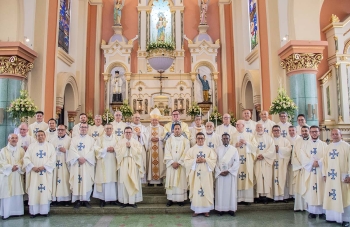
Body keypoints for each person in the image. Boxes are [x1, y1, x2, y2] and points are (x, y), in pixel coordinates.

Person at [23, 130, 56, 218]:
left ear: (45, 136)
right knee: (34, 191)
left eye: (42, 135)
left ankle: (44, 211)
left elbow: (53, 159)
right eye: (38, 135)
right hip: (34, 173)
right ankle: (33, 212)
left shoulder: (50, 146)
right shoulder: (32, 146)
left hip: (45, 173)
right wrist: (32, 167)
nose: (40, 137)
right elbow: (26, 158)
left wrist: (44, 166)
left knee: (44, 191)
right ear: (36, 137)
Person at [185, 132, 217, 217]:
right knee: (196, 191)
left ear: (204, 139)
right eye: (198, 138)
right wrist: (195, 161)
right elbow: (186, 161)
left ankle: (206, 210)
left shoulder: (209, 150)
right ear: (196, 139)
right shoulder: (191, 150)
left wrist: (205, 160)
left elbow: (213, 160)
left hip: (206, 174)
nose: (200, 140)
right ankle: (197, 210)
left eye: (202, 138)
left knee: (206, 190)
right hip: (195, 175)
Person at [323, 129, 350, 226]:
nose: (334, 136)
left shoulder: (346, 147)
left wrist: (349, 175)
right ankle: (332, 217)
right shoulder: (328, 147)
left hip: (342, 177)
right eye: (333, 134)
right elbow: (325, 162)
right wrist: (324, 174)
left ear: (341, 135)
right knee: (331, 195)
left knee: (344, 196)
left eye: (336, 134)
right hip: (331, 176)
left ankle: (345, 219)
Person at [300, 126, 327, 219]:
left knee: (321, 189)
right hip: (310, 171)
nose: (314, 133)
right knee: (311, 190)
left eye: (316, 131)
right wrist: (312, 163)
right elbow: (302, 157)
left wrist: (319, 162)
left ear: (319, 132)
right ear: (310, 133)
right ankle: (312, 211)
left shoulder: (324, 145)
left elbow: (326, 157)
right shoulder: (304, 145)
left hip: (320, 170)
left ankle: (323, 211)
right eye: (312, 132)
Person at [68, 123, 95, 209]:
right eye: (82, 127)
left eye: (85, 127)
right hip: (77, 163)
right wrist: (78, 158)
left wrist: (85, 158)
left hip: (87, 164)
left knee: (86, 181)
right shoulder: (74, 139)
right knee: (77, 181)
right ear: (79, 129)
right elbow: (71, 149)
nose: (83, 129)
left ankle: (86, 200)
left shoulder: (91, 140)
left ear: (87, 129)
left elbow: (93, 150)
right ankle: (77, 200)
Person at [116, 127, 143, 208]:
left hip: (133, 163)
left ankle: (132, 201)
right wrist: (125, 147)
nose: (128, 134)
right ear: (124, 133)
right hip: (123, 163)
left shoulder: (136, 142)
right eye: (126, 132)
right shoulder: (120, 142)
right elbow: (117, 152)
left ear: (132, 133)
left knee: (132, 180)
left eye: (129, 132)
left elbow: (139, 152)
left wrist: (131, 147)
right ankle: (124, 201)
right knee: (124, 182)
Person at [231, 120, 257, 204]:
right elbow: (228, 148)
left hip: (247, 160)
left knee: (247, 176)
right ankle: (238, 198)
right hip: (237, 160)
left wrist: (246, 143)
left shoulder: (250, 135)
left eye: (238, 125)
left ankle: (247, 199)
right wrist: (235, 145)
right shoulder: (233, 136)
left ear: (243, 125)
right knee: (238, 177)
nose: (237, 126)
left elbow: (255, 147)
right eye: (236, 125)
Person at [164, 123, 190, 207]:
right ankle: (170, 199)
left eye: (179, 129)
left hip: (181, 165)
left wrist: (179, 162)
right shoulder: (169, 140)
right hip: (171, 165)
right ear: (173, 130)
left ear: (181, 130)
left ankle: (180, 200)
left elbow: (186, 153)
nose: (177, 130)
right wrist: (172, 162)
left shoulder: (186, 141)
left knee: (180, 182)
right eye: (176, 129)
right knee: (171, 181)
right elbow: (167, 151)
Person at [0, 134, 25, 220]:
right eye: (12, 138)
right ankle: (6, 213)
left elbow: (23, 161)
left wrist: (17, 166)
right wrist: (11, 167)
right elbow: (1, 162)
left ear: (18, 140)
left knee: (17, 192)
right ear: (8, 140)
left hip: (17, 174)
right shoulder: (3, 151)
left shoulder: (21, 150)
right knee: (7, 193)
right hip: (7, 175)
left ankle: (17, 212)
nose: (14, 140)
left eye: (15, 138)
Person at [93, 123, 118, 207]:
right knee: (103, 180)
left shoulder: (116, 139)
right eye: (107, 128)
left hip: (113, 162)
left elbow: (120, 148)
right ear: (104, 129)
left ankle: (113, 199)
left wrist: (114, 149)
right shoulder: (100, 139)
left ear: (113, 129)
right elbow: (96, 149)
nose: (109, 130)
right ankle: (102, 199)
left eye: (110, 128)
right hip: (103, 163)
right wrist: (105, 149)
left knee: (112, 180)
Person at [215, 133, 240, 216]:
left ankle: (231, 209)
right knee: (221, 192)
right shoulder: (217, 149)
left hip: (230, 174)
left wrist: (229, 170)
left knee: (230, 192)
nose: (225, 140)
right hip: (221, 174)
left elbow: (237, 162)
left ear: (229, 139)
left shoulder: (234, 150)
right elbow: (215, 162)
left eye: (227, 138)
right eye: (224, 138)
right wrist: (219, 171)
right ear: (221, 140)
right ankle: (221, 209)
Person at [50, 124, 71, 206]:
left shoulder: (69, 140)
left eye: (62, 130)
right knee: (55, 181)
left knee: (65, 180)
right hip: (55, 163)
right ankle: (55, 199)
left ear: (65, 130)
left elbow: (73, 152)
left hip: (65, 163)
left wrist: (66, 151)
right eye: (58, 130)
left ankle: (66, 200)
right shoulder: (52, 140)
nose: (60, 131)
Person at [254, 123, 275, 203]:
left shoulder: (269, 138)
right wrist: (256, 156)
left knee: (266, 178)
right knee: (258, 177)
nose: (259, 129)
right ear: (256, 129)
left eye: (261, 127)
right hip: (257, 161)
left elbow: (272, 149)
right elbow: (251, 149)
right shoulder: (253, 138)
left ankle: (266, 196)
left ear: (264, 128)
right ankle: (258, 196)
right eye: (258, 127)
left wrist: (263, 155)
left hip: (266, 161)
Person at [271, 125, 292, 202]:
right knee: (274, 178)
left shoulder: (285, 141)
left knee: (283, 178)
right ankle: (274, 196)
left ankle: (284, 197)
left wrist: (279, 149)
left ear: (280, 131)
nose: (276, 132)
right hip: (272, 163)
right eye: (274, 130)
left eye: (278, 130)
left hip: (282, 163)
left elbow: (289, 150)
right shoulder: (270, 140)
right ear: (272, 132)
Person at [146, 108, 165, 185]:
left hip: (159, 148)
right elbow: (145, 138)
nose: (154, 121)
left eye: (156, 120)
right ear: (151, 120)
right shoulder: (147, 129)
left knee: (159, 163)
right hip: (151, 148)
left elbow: (164, 137)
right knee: (150, 163)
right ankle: (150, 181)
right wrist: (150, 138)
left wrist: (159, 138)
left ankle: (159, 181)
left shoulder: (162, 128)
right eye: (153, 120)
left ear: (158, 121)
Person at [292, 125, 309, 211]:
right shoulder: (296, 142)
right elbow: (293, 155)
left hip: (309, 170)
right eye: (303, 131)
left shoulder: (312, 141)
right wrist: (299, 165)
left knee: (308, 187)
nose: (304, 132)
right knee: (300, 187)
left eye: (306, 131)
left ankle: (309, 208)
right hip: (300, 169)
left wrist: (307, 165)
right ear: (300, 132)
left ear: (308, 131)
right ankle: (300, 206)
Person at [130, 113, 148, 183]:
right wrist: (135, 135)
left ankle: (142, 180)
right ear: (133, 118)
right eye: (135, 117)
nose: (137, 119)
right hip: (132, 148)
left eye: (138, 117)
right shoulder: (129, 127)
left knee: (141, 162)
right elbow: (126, 135)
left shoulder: (143, 127)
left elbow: (147, 136)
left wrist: (141, 135)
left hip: (141, 148)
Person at [286, 126, 300, 199]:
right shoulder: (286, 139)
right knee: (290, 177)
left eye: (293, 130)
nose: (291, 132)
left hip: (297, 162)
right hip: (289, 162)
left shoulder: (299, 139)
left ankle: (296, 194)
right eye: (290, 130)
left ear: (296, 131)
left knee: (296, 177)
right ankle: (290, 194)